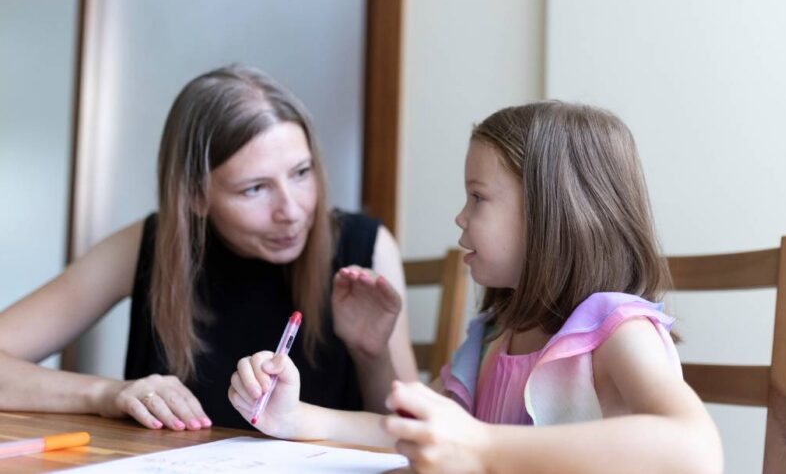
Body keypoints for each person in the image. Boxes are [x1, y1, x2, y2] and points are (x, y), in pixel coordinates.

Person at [227, 101, 723, 473]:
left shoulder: (616, 331)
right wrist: (295, 417)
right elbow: (420, 432)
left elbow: (696, 450)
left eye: (478, 198)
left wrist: (482, 446)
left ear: (552, 215)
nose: (460, 216)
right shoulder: (491, 337)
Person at [0, 65, 417, 431]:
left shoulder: (367, 248)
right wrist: (107, 394)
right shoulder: (148, 246)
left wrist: (372, 356)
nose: (291, 210)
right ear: (196, 196)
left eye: (302, 172)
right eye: (255, 189)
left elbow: (413, 439)